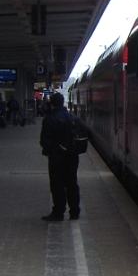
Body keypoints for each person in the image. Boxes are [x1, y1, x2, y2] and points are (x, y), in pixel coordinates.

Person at [39, 92, 80, 221]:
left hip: (56, 157)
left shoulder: (49, 119)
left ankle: (58, 212)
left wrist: (49, 151)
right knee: (72, 183)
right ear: (63, 102)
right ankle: (74, 212)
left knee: (57, 184)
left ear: (51, 104)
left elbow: (44, 140)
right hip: (72, 156)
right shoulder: (73, 117)